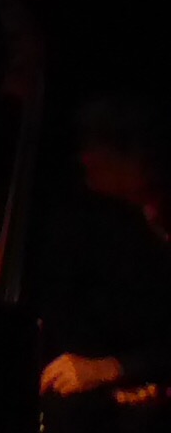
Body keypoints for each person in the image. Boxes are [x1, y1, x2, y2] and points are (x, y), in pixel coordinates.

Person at [35, 98, 171, 432]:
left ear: (140, 156)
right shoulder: (98, 218)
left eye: (99, 147)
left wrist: (119, 369)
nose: (86, 158)